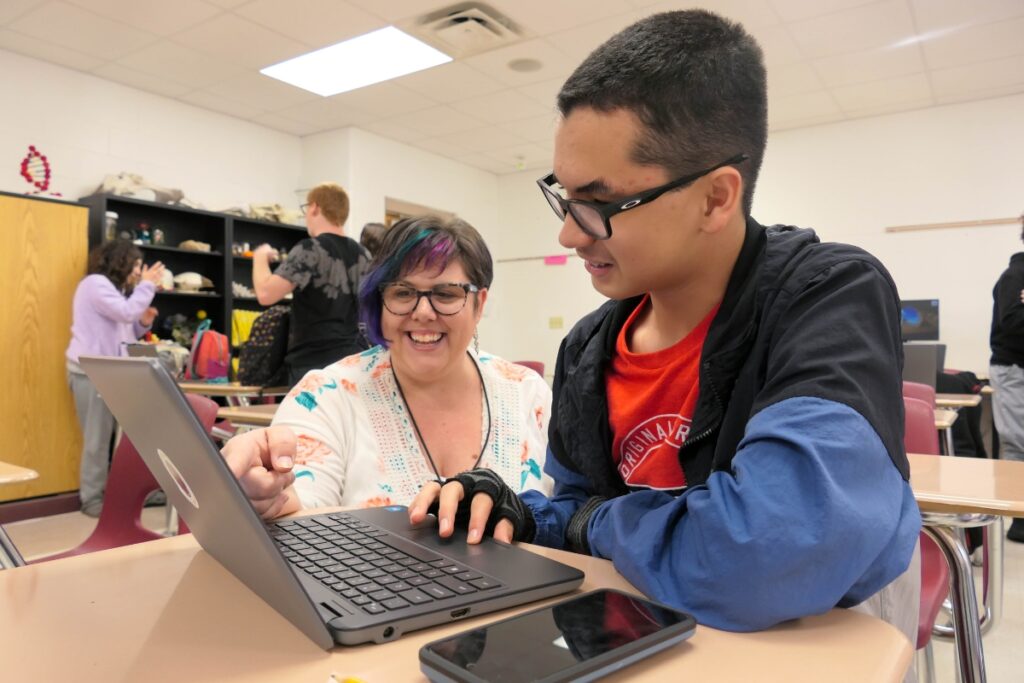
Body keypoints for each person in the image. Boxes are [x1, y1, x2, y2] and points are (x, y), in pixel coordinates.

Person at [410, 9, 922, 653]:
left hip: (814, 645)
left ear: (715, 197)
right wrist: (517, 511)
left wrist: (592, 521)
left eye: (597, 204)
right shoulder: (589, 349)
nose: (568, 233)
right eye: (563, 198)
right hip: (655, 643)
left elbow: (769, 551)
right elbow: (576, 516)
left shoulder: (829, 296)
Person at [221, 216, 552, 519]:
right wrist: (268, 493)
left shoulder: (528, 394)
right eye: (403, 292)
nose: (423, 312)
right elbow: (301, 499)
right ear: (380, 303)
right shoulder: (326, 395)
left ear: (479, 305)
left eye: (447, 294)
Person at [66, 240, 164, 517]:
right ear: (119, 262)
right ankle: (92, 500)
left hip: (111, 371)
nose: (137, 272)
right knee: (97, 439)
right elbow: (124, 312)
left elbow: (125, 331)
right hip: (90, 371)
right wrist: (146, 286)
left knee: (131, 435)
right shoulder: (94, 284)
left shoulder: (116, 292)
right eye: (134, 265)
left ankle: (130, 493)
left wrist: (143, 321)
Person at [252, 182, 369, 386]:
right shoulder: (363, 254)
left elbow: (265, 294)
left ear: (314, 207)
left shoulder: (310, 249)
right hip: (353, 363)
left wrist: (260, 257)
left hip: (313, 365)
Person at [988, 212, 1024, 543]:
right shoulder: (1016, 275)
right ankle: (1018, 522)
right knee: (1017, 442)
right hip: (1014, 371)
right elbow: (1013, 324)